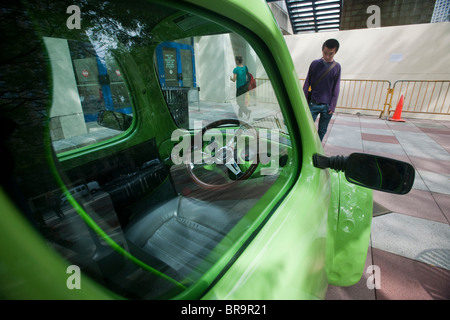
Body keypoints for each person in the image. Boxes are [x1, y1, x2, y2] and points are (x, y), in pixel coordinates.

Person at [303, 39, 341, 141]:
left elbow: (336, 87)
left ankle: (318, 150)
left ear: (335, 52)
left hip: (327, 107)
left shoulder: (337, 67)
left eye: (331, 54)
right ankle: (307, 147)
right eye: (325, 53)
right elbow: (307, 82)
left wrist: (332, 106)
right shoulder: (315, 64)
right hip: (313, 103)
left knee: (322, 131)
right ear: (322, 50)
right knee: (307, 129)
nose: (327, 56)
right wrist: (304, 100)